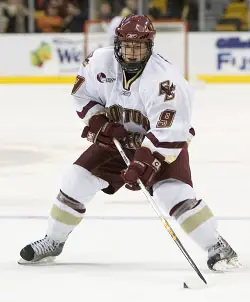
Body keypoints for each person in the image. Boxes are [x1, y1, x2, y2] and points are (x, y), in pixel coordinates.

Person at [19, 14, 241, 271]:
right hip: (118, 142)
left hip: (160, 145)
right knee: (75, 179)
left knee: (172, 193)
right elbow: (82, 95)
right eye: (127, 46)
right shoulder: (99, 62)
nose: (133, 53)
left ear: (150, 47)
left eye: (139, 47)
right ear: (118, 44)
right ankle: (53, 240)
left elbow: (171, 132)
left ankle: (217, 246)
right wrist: (97, 123)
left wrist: (144, 161)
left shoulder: (165, 81)